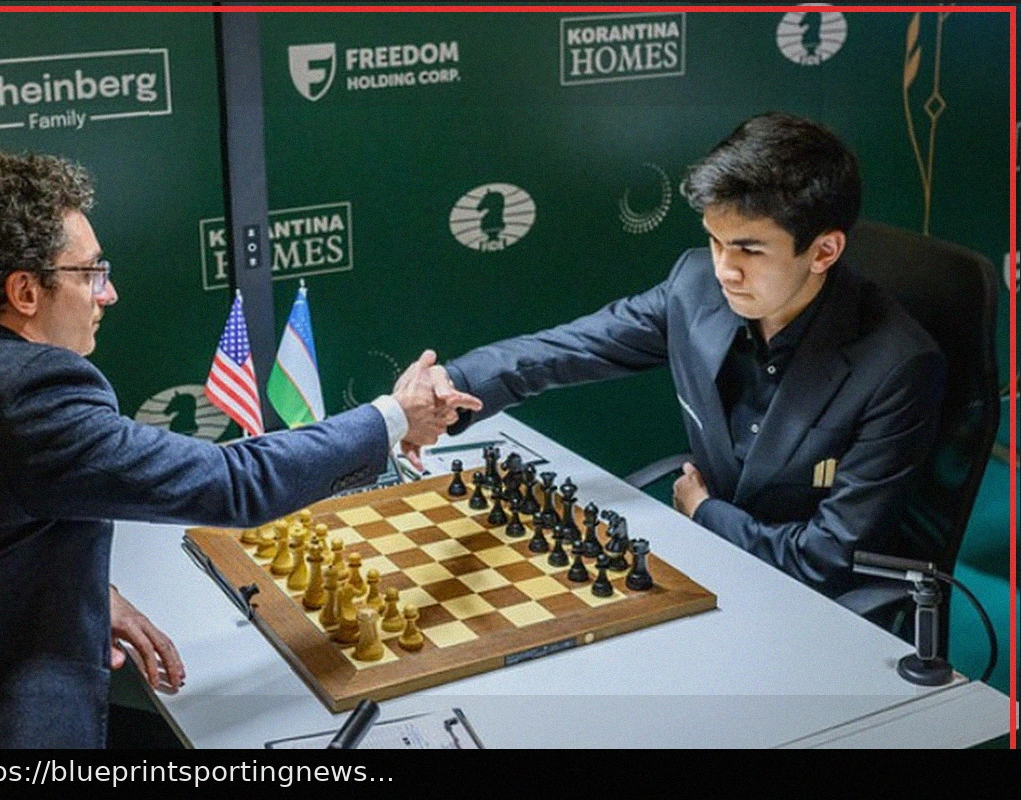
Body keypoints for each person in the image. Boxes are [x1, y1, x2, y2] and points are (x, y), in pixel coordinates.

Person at [0, 150, 481, 748]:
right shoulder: (27, 396)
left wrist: (95, 594)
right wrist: (394, 418)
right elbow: (236, 483)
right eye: (91, 273)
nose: (108, 293)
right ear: (25, 292)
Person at [404, 113, 946, 599]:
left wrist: (705, 511)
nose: (724, 269)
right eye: (715, 240)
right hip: (701, 568)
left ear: (824, 251)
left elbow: (825, 560)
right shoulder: (696, 286)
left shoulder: (897, 367)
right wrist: (450, 385)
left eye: (749, 249)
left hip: (806, 605)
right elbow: (568, 349)